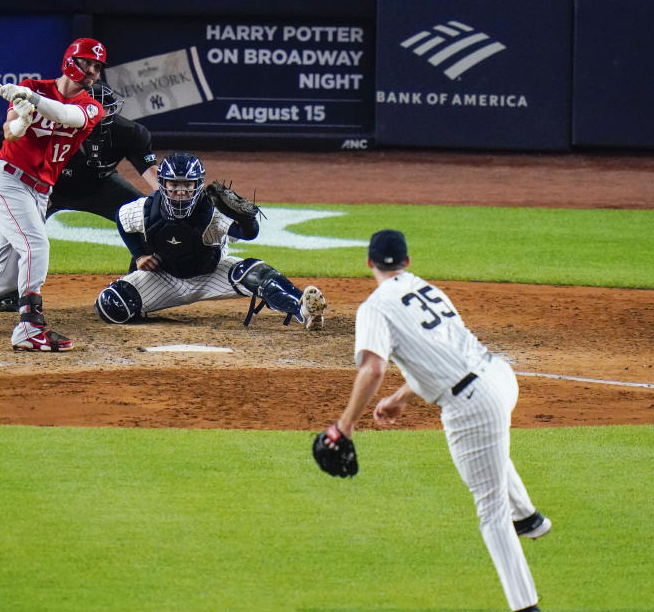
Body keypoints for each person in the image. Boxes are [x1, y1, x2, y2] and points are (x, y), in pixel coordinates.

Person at [312, 229, 549, 612]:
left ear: (369, 263)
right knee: (490, 446)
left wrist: (346, 425)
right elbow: (444, 351)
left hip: (472, 402)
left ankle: (526, 607)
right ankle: (528, 518)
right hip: (501, 378)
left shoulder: (374, 306)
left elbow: (372, 368)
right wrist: (400, 397)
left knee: (490, 513)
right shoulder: (426, 288)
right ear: (407, 262)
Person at [0, 38, 107, 351]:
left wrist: (30, 99)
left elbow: (66, 117)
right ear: (72, 61)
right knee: (35, 246)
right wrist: (22, 120)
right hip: (9, 180)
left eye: (98, 66)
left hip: (41, 193)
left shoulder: (90, 106)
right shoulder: (32, 86)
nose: (94, 72)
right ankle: (29, 328)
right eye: (89, 63)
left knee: (9, 275)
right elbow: (9, 132)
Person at [93, 151, 327, 329]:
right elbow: (122, 219)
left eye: (188, 185)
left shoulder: (213, 211)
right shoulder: (146, 210)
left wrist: (246, 220)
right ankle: (142, 307)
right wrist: (139, 254)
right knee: (111, 305)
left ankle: (303, 308)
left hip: (212, 274)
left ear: (199, 185)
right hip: (165, 279)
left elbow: (249, 234)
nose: (181, 191)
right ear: (163, 184)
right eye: (174, 185)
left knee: (255, 272)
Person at [0, 80, 160, 313]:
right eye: (98, 107)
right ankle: (11, 291)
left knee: (148, 218)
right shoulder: (58, 125)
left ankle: (134, 288)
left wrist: (167, 199)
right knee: (19, 231)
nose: (104, 113)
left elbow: (151, 173)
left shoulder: (130, 133)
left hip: (102, 185)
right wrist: (42, 188)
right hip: (54, 186)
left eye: (109, 108)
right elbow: (32, 157)